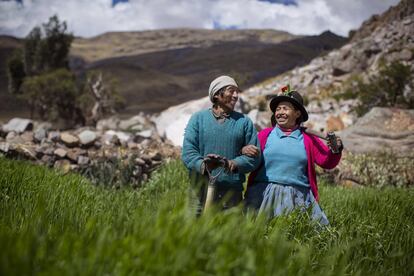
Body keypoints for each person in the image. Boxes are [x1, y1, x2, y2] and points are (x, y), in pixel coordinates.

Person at [243, 86, 343, 225]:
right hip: (263, 194)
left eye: (285, 108)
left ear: (297, 113)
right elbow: (249, 159)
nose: (280, 112)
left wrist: (336, 150)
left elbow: (327, 162)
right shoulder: (265, 135)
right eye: (278, 109)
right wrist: (245, 150)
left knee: (297, 238)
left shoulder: (308, 139)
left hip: (297, 197)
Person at [182, 75, 261, 214]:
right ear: (217, 94)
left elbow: (254, 158)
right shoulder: (198, 119)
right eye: (231, 91)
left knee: (229, 235)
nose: (236, 95)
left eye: (237, 91)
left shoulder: (244, 122)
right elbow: (188, 152)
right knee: (194, 234)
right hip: (198, 194)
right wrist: (204, 165)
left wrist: (232, 164)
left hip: (231, 196)